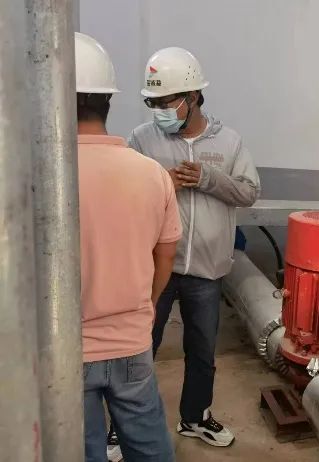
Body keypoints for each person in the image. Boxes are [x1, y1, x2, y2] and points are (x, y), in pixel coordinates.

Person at [126, 46, 260, 448]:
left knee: (202, 352)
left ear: (193, 96)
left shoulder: (230, 142)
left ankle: (195, 417)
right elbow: (125, 196)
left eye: (166, 101)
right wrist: (162, 183)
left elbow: (249, 192)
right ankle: (126, 426)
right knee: (140, 348)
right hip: (157, 268)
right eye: (153, 103)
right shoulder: (141, 140)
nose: (159, 111)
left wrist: (208, 178)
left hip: (206, 271)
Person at [75, 33, 181, 462]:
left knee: (82, 451)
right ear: (108, 101)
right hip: (132, 342)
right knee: (150, 449)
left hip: (68, 349)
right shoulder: (152, 174)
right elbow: (166, 255)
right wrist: (146, 305)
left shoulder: (40, 177)